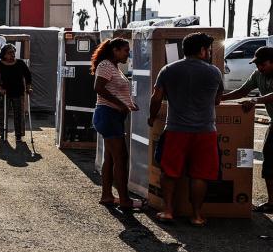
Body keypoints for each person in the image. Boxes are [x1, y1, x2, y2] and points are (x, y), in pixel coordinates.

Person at [147, 32, 223, 226]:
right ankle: (197, 215)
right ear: (201, 50)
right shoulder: (214, 72)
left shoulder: (168, 70)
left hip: (176, 130)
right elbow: (217, 99)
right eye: (207, 49)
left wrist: (151, 117)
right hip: (206, 131)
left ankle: (168, 211)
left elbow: (156, 98)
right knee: (200, 174)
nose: (208, 53)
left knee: (169, 171)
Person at [223, 45, 273, 213]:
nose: (260, 68)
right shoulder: (258, 74)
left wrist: (255, 101)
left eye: (263, 64)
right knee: (270, 159)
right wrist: (221, 98)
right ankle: (272, 202)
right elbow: (243, 91)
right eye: (258, 64)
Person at [91, 37, 138, 211]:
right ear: (115, 50)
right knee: (121, 157)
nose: (128, 54)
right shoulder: (105, 65)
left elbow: (115, 90)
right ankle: (125, 200)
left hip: (112, 115)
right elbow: (99, 88)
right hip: (108, 114)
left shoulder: (114, 67)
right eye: (125, 50)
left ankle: (107, 196)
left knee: (111, 157)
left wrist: (129, 104)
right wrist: (120, 104)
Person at [0, 44, 33, 143]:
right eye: (10, 52)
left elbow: (28, 76)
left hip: (18, 92)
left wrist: (28, 87)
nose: (13, 54)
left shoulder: (20, 63)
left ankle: (19, 135)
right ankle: (2, 133)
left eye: (13, 52)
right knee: (3, 114)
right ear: (4, 54)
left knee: (19, 114)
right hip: (4, 94)